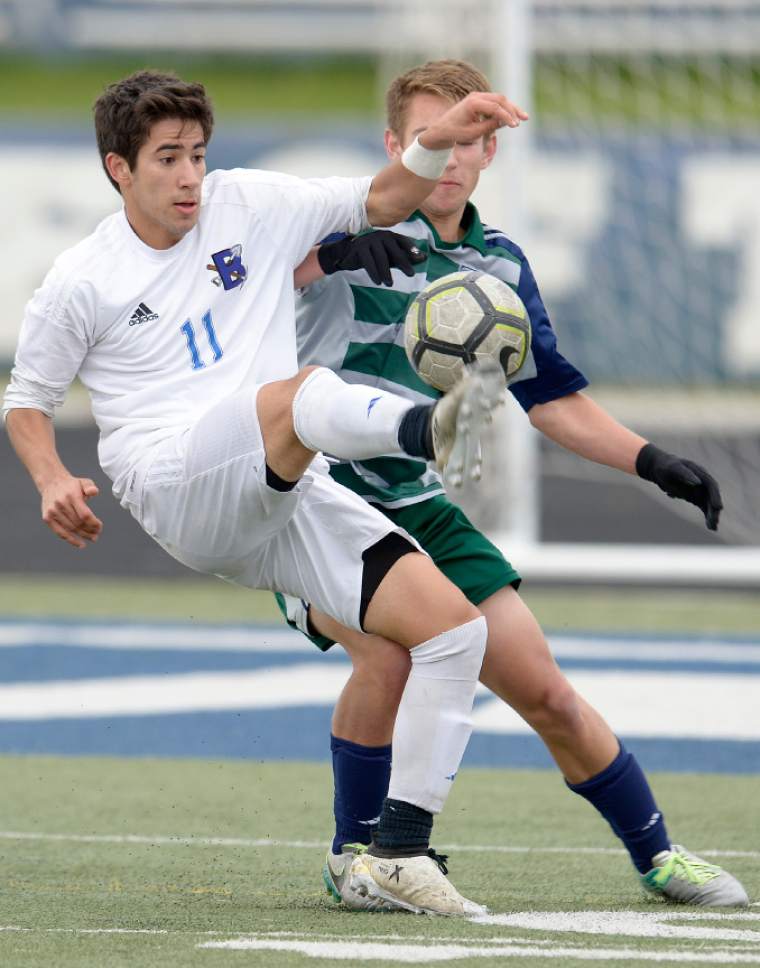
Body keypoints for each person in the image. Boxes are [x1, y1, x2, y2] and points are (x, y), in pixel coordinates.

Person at [2, 69, 536, 917]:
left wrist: (448, 132)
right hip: (177, 484)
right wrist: (50, 478)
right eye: (167, 158)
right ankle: (427, 427)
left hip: (283, 484)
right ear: (118, 168)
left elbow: (391, 190)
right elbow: (25, 399)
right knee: (300, 394)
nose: (189, 177)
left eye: (198, 155)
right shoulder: (82, 278)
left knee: (452, 634)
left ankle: (390, 851)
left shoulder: (251, 204)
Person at [276, 59, 749, 910]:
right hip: (311, 501)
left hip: (419, 501)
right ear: (397, 145)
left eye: (467, 139)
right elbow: (231, 282)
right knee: (390, 651)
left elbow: (553, 402)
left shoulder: (499, 266)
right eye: (433, 138)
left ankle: (658, 856)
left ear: (490, 148)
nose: (450, 155)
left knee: (547, 691)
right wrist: (321, 257)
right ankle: (356, 856)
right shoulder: (333, 230)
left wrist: (654, 462)